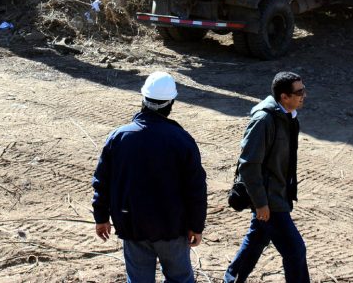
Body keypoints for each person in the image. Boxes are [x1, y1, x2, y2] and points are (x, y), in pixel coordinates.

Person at [92, 71, 207, 283]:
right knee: (180, 279)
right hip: (172, 228)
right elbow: (196, 189)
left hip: (132, 225)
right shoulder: (182, 140)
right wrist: (196, 225)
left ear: (143, 100)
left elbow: (102, 181)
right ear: (170, 103)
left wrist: (101, 217)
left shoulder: (119, 137)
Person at [224, 71, 309, 283]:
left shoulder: (288, 117)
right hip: (270, 201)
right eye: (299, 92)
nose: (303, 95)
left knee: (256, 240)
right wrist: (261, 203)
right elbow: (249, 165)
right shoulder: (264, 120)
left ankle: (231, 278)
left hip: (277, 195)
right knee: (295, 250)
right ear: (284, 97)